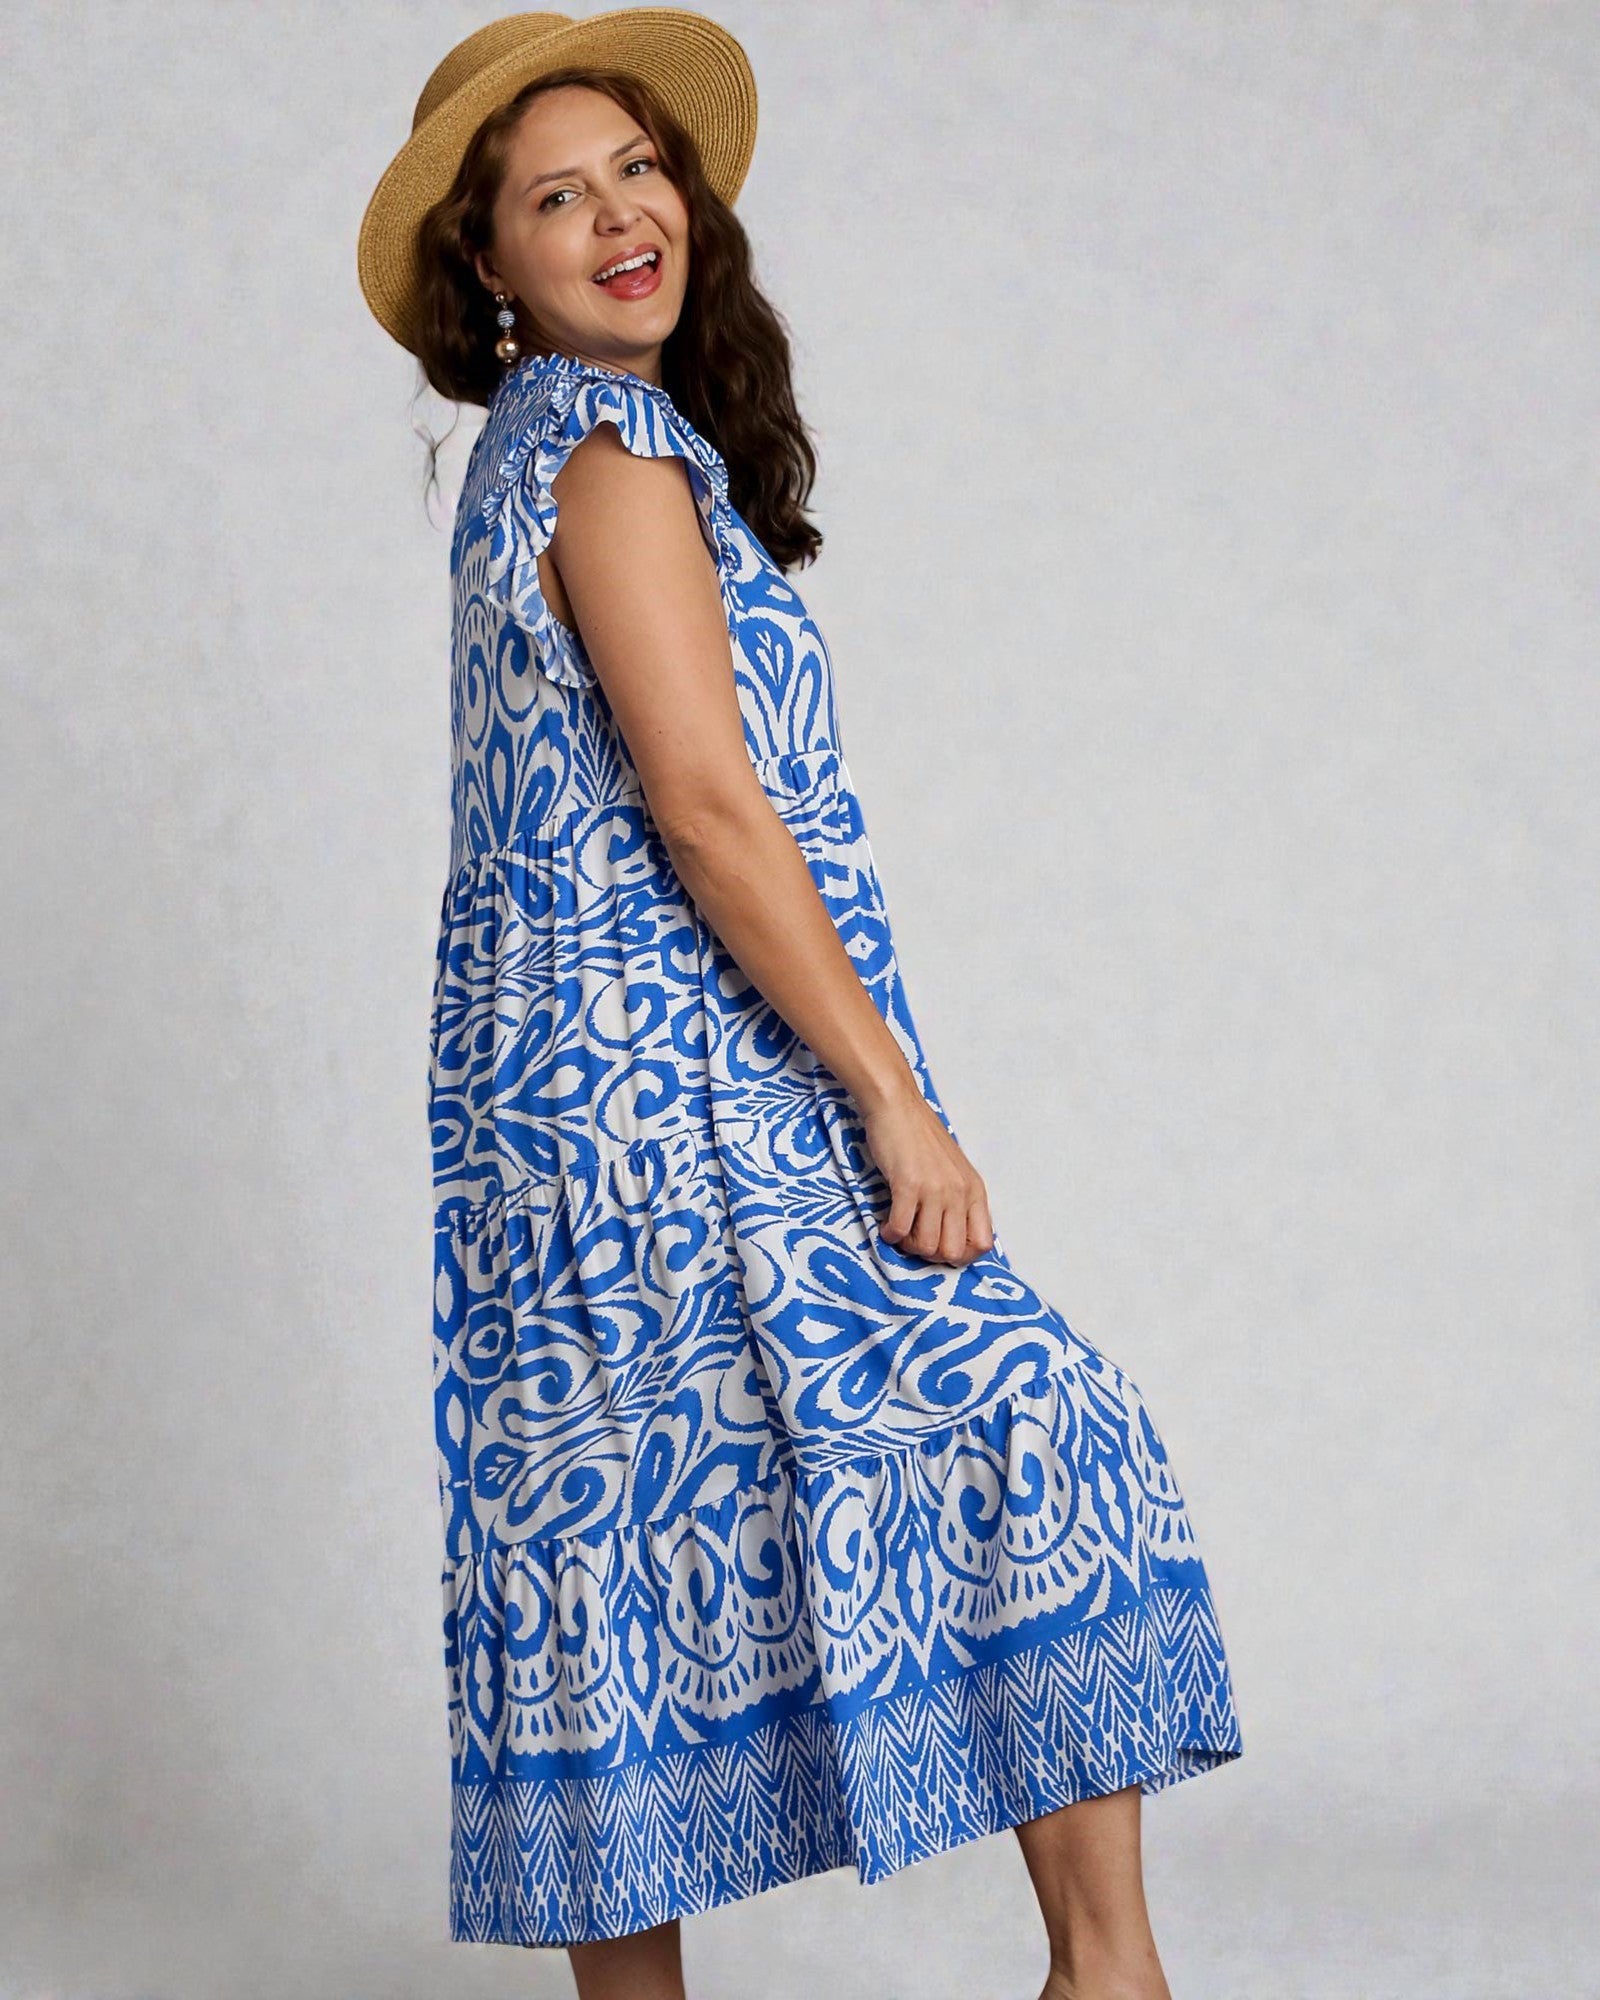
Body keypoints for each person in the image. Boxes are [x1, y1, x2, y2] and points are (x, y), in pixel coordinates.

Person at [357, 12, 1244, 1998]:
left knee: (598, 1548)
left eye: (635, 170)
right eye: (550, 196)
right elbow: (703, 805)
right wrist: (890, 1100)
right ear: (486, 269)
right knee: (1035, 1426)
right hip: (677, 1103)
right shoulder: (600, 446)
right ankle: (1108, 1976)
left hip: (555, 1120)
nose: (614, 215)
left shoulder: (536, 457)